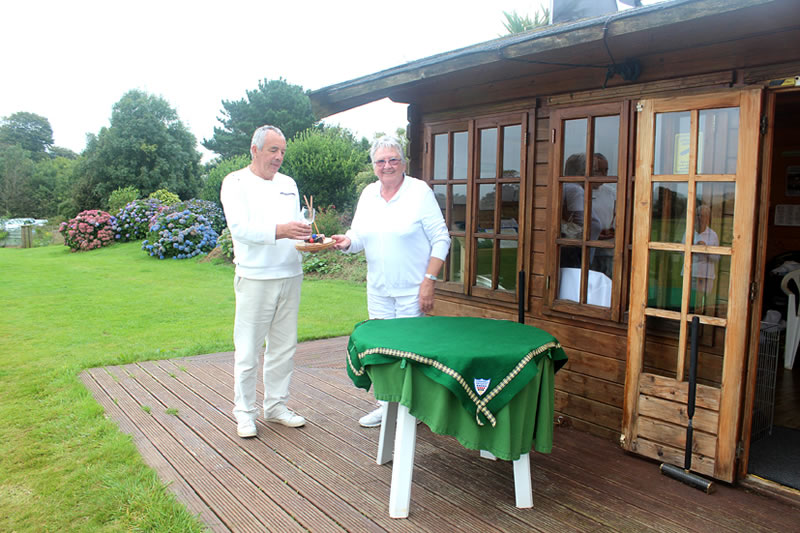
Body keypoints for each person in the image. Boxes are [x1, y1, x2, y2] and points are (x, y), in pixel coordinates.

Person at [332, 135, 450, 428]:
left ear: (403, 163)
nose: (387, 166)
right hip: (379, 290)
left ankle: (413, 409)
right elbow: (359, 236)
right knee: (383, 351)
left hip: (412, 289)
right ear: (374, 166)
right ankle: (387, 406)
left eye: (393, 159)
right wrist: (346, 241)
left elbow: (441, 238)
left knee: (411, 352)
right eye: (381, 161)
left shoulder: (418, 192)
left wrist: (429, 281)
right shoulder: (368, 195)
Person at [220, 125, 312, 438]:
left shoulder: (288, 183)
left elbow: (296, 227)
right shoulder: (235, 182)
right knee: (248, 350)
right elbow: (240, 228)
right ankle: (245, 414)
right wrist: (282, 231)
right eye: (273, 150)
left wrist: (308, 239)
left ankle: (276, 407)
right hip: (255, 277)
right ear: (255, 149)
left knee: (284, 347)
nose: (279, 157)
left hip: (290, 274)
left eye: (283, 151)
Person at [690, 204, 719, 310]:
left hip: (706, 276)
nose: (700, 218)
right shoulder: (689, 232)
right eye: (698, 215)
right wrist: (693, 249)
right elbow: (681, 253)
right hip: (691, 273)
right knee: (689, 303)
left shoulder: (712, 235)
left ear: (708, 218)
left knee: (703, 306)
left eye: (703, 216)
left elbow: (717, 258)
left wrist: (705, 250)